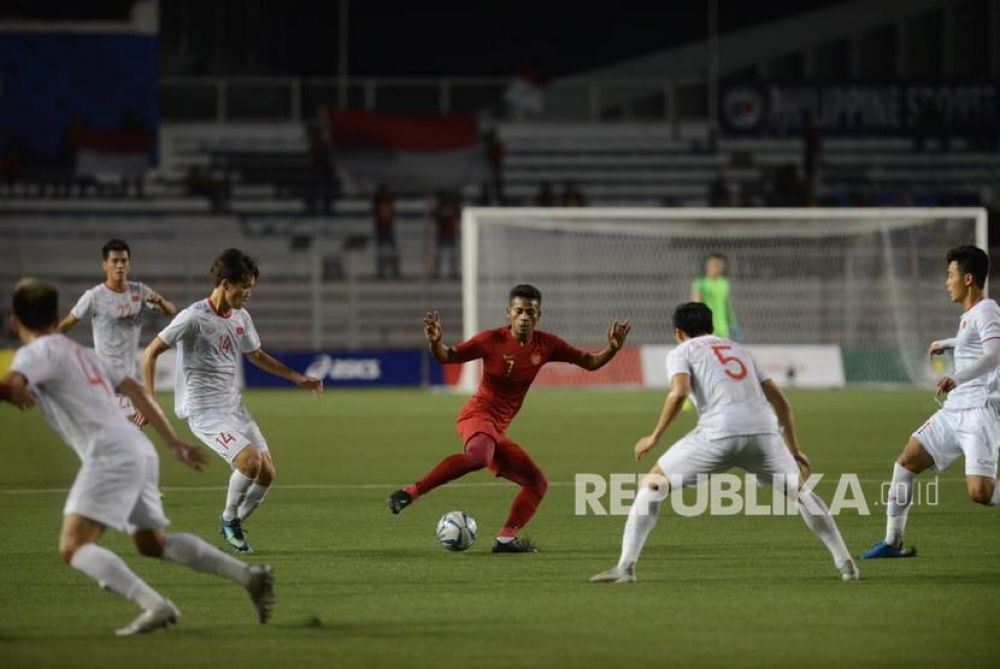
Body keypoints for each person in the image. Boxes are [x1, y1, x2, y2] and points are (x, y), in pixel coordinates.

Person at [1, 278, 274, 636]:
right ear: (56, 318)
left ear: (15, 322)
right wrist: (173, 442)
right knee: (152, 543)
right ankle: (249, 576)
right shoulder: (81, 353)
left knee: (73, 546)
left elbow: (13, 384)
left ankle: (156, 605)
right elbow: (132, 388)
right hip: (137, 449)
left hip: (108, 455)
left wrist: (13, 390)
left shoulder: (34, 354)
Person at [590, 302, 859, 583]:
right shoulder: (739, 350)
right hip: (764, 434)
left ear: (678, 332)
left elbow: (679, 393)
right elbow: (781, 402)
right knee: (801, 492)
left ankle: (626, 567)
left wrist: (654, 436)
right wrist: (793, 448)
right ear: (713, 327)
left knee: (653, 485)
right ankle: (845, 562)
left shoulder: (682, 351)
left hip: (718, 433)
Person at [387, 284, 631, 552]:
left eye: (530, 311)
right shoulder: (490, 340)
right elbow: (449, 357)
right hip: (477, 415)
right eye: (519, 311)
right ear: (509, 313)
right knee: (479, 457)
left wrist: (612, 349)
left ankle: (505, 539)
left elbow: (589, 362)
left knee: (537, 483)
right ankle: (411, 492)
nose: (524, 317)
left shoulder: (547, 344)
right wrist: (435, 343)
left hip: (497, 430)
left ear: (539, 315)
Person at [142, 249, 323, 553]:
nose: (249, 293)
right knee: (250, 461)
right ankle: (229, 520)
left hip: (233, 408)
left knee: (267, 472)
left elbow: (255, 355)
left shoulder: (241, 317)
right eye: (244, 287)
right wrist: (148, 400)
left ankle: (235, 519)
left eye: (251, 287)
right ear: (225, 284)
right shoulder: (192, 317)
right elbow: (150, 353)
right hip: (204, 412)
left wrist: (296, 377)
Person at [862, 245, 1000, 559]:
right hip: (954, 410)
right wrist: (947, 344)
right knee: (906, 461)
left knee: (981, 493)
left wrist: (958, 377)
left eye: (950, 275)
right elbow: (976, 344)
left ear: (967, 279)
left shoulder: (988, 309)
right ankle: (892, 542)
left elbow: (994, 354)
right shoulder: (971, 316)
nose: (945, 281)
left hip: (979, 412)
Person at [58, 238, 177, 424]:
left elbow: (171, 311)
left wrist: (160, 302)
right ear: (105, 265)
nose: (120, 265)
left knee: (131, 433)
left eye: (124, 261)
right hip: (104, 377)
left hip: (131, 377)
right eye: (115, 261)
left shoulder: (139, 291)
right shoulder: (94, 296)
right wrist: (44, 341)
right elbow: (66, 324)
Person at [690, 252, 739, 340]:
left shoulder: (724, 283)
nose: (718, 268)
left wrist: (733, 323)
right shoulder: (700, 283)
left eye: (720, 265)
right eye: (715, 265)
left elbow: (727, 305)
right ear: (707, 265)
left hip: (723, 328)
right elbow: (696, 306)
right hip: (707, 327)